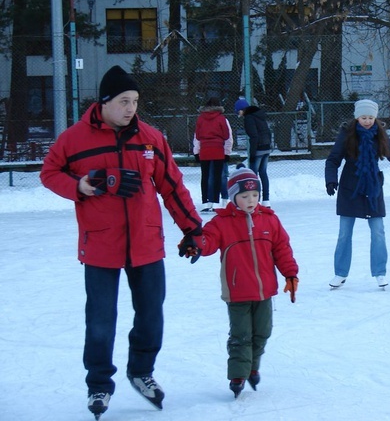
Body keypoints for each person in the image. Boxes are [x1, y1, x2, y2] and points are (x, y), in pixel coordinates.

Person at [40, 65, 203, 419]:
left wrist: (192, 228)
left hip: (146, 243)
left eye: (135, 101)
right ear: (105, 102)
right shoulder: (74, 138)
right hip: (100, 246)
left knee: (150, 315)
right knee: (100, 320)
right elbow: (49, 172)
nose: (131, 108)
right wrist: (80, 186)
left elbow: (171, 185)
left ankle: (141, 371)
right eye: (124, 101)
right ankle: (99, 383)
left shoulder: (150, 138)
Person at [178, 164, 298, 398]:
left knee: (262, 332)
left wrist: (290, 274)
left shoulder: (270, 220)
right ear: (233, 197)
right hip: (237, 292)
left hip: (265, 291)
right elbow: (208, 241)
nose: (251, 200)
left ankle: (252, 367)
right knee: (241, 335)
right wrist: (196, 246)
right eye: (244, 196)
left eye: (255, 195)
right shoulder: (222, 223)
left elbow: (282, 249)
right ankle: (238, 375)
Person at [324, 99, 390, 289]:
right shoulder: (347, 134)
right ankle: (340, 273)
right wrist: (330, 179)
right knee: (344, 233)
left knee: (378, 232)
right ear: (357, 117)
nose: (367, 121)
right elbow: (333, 158)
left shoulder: (379, 135)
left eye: (371, 117)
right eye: (363, 117)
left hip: (372, 189)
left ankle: (380, 273)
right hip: (350, 188)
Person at [193, 97, 233, 212]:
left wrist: (196, 152)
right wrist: (227, 152)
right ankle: (215, 202)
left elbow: (198, 136)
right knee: (217, 176)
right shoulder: (221, 118)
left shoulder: (200, 118)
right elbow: (226, 136)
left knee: (205, 177)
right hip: (218, 150)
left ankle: (206, 202)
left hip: (205, 150)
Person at [234, 97, 272, 207]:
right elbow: (267, 131)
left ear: (242, 109)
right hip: (266, 147)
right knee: (263, 173)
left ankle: (255, 200)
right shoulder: (259, 115)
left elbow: (254, 136)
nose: (238, 114)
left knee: (253, 176)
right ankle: (266, 200)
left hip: (258, 148)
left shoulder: (249, 118)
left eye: (238, 111)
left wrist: (252, 155)